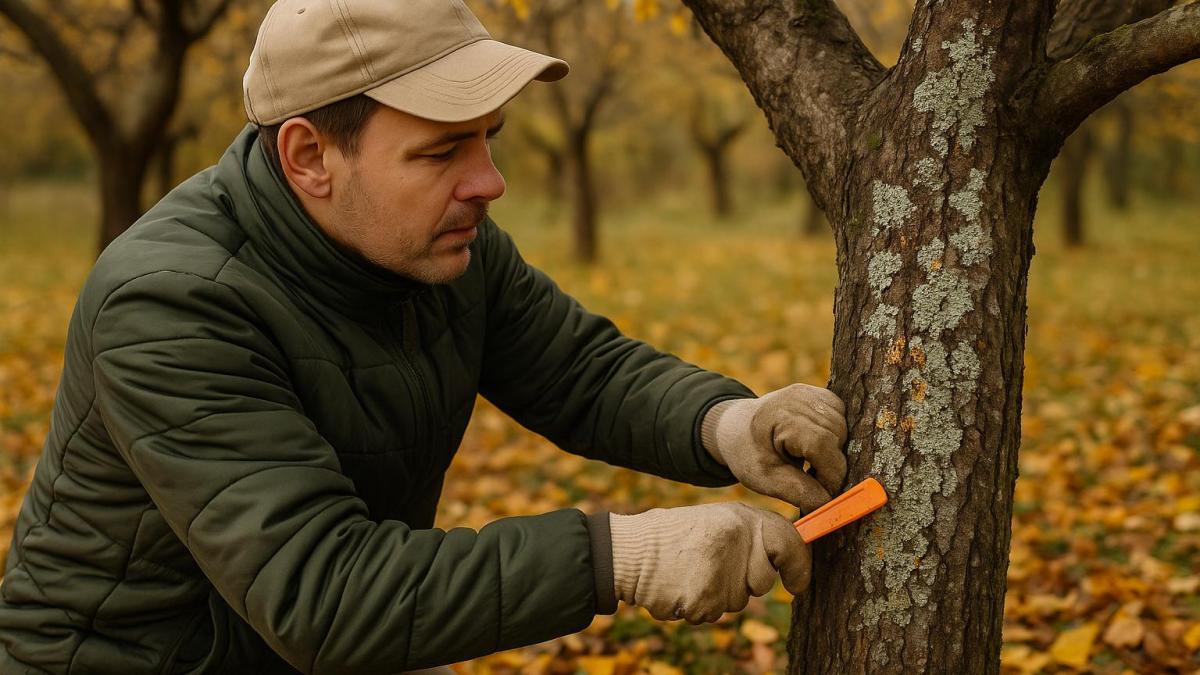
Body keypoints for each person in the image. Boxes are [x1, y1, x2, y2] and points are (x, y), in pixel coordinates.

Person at [0, 0, 850, 672]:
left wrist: (730, 424)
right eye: (442, 150)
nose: (490, 181)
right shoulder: (169, 304)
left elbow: (580, 372)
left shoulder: (437, 246)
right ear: (308, 157)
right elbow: (323, 594)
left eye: (489, 139)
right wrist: (624, 555)